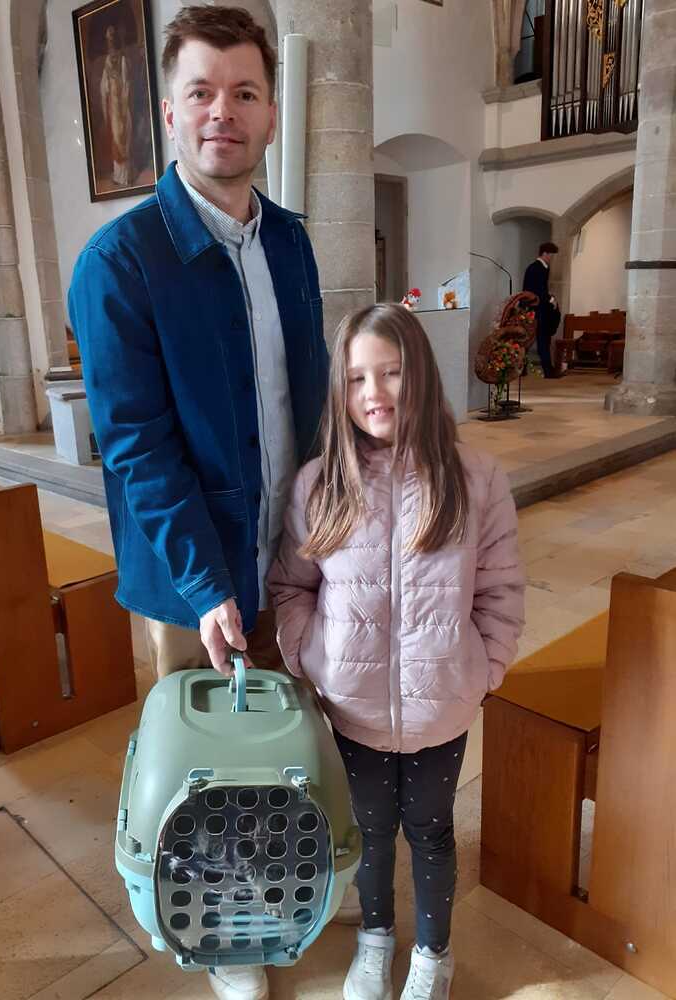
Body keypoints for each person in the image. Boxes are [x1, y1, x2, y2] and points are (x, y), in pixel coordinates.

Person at [68, 9, 328, 999]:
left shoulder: (291, 243)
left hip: (287, 547)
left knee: (284, 741)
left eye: (246, 92)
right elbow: (137, 444)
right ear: (170, 113)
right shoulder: (120, 262)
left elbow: (307, 398)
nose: (225, 110)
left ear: (270, 115)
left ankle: (283, 889)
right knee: (205, 768)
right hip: (192, 569)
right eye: (203, 92)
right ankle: (225, 940)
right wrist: (205, 583)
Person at [268, 303, 525, 1000]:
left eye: (390, 373)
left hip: (443, 702)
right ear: (340, 391)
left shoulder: (475, 478)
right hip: (353, 707)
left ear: (422, 375)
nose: (374, 393)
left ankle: (433, 955)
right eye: (356, 378)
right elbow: (291, 586)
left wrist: (484, 668)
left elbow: (500, 589)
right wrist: (313, 656)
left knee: (432, 831)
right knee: (372, 831)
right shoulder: (320, 483)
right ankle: (376, 938)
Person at [100, 24, 133, 187]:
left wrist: (124, 102)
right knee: (115, 139)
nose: (110, 42)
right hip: (113, 105)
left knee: (123, 137)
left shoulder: (122, 60)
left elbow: (126, 83)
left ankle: (124, 176)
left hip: (121, 104)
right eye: (108, 40)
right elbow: (104, 84)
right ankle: (118, 175)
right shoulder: (108, 60)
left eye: (112, 39)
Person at [523, 241, 561, 378]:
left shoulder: (540, 267)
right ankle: (548, 371)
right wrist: (551, 300)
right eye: (551, 255)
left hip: (537, 308)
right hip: (536, 310)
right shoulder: (537, 268)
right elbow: (537, 290)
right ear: (544, 253)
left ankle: (525, 369)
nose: (552, 258)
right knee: (540, 340)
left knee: (535, 340)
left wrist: (550, 298)